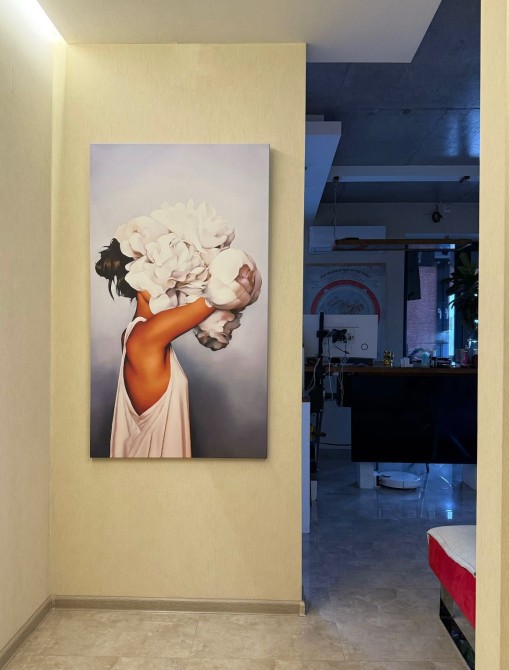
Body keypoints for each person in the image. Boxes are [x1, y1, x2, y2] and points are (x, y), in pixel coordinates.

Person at [95, 238, 215, 458]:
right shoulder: (146, 337)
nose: (169, 281)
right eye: (157, 273)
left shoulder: (136, 334)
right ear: (137, 281)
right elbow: (221, 294)